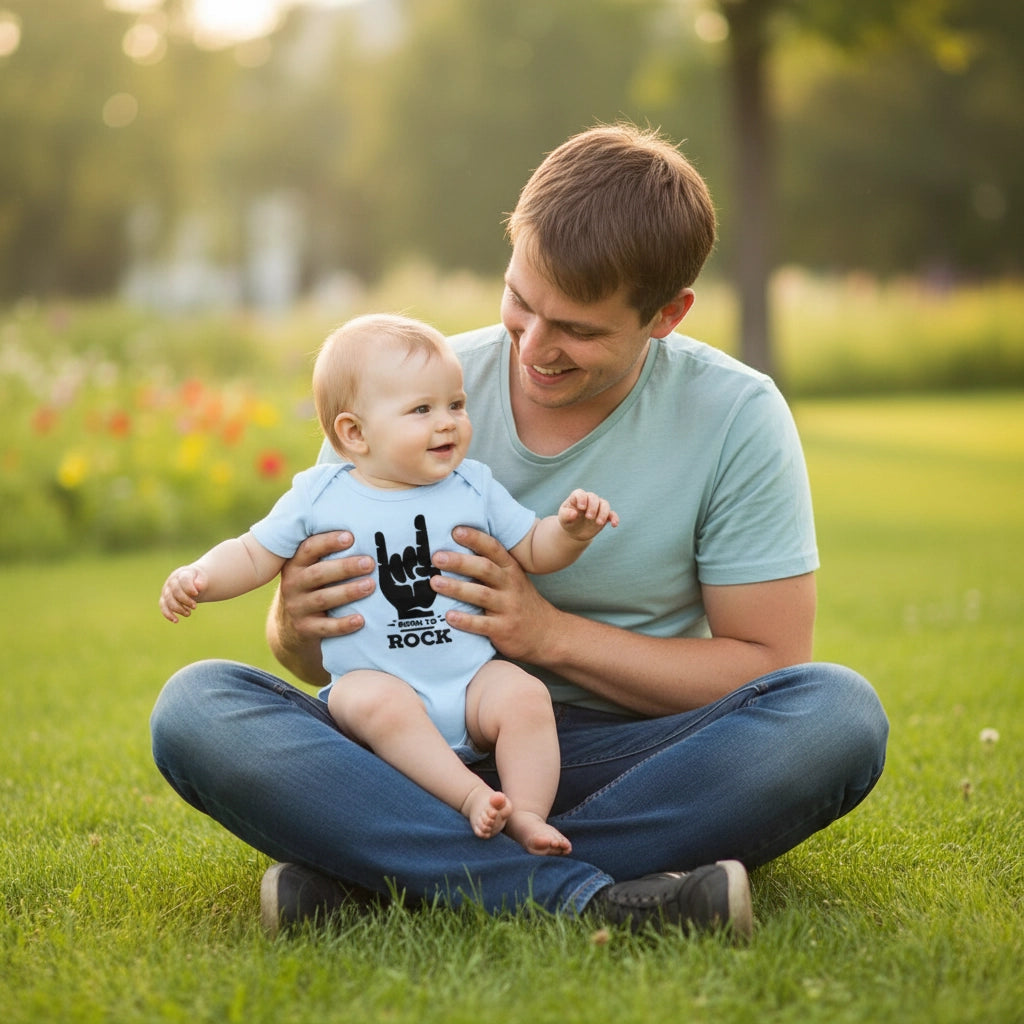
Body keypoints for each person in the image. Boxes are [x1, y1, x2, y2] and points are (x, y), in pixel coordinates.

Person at [151, 122, 888, 940]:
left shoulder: (735, 416)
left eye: (577, 329)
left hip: (621, 760)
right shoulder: (409, 389)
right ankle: (594, 898)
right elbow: (310, 656)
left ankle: (385, 874)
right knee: (197, 707)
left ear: (666, 315)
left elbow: (769, 668)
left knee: (836, 717)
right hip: (402, 748)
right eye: (520, 302)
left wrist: (547, 636)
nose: (534, 348)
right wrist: (290, 624)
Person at [159, 314, 619, 856]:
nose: (447, 423)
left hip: (470, 683)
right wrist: (200, 578)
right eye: (422, 410)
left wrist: (570, 531)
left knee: (525, 696)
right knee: (371, 701)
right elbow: (253, 553)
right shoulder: (320, 496)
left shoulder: (474, 484)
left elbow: (535, 550)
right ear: (354, 433)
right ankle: (472, 797)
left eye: (455, 404)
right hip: (376, 686)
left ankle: (528, 819)